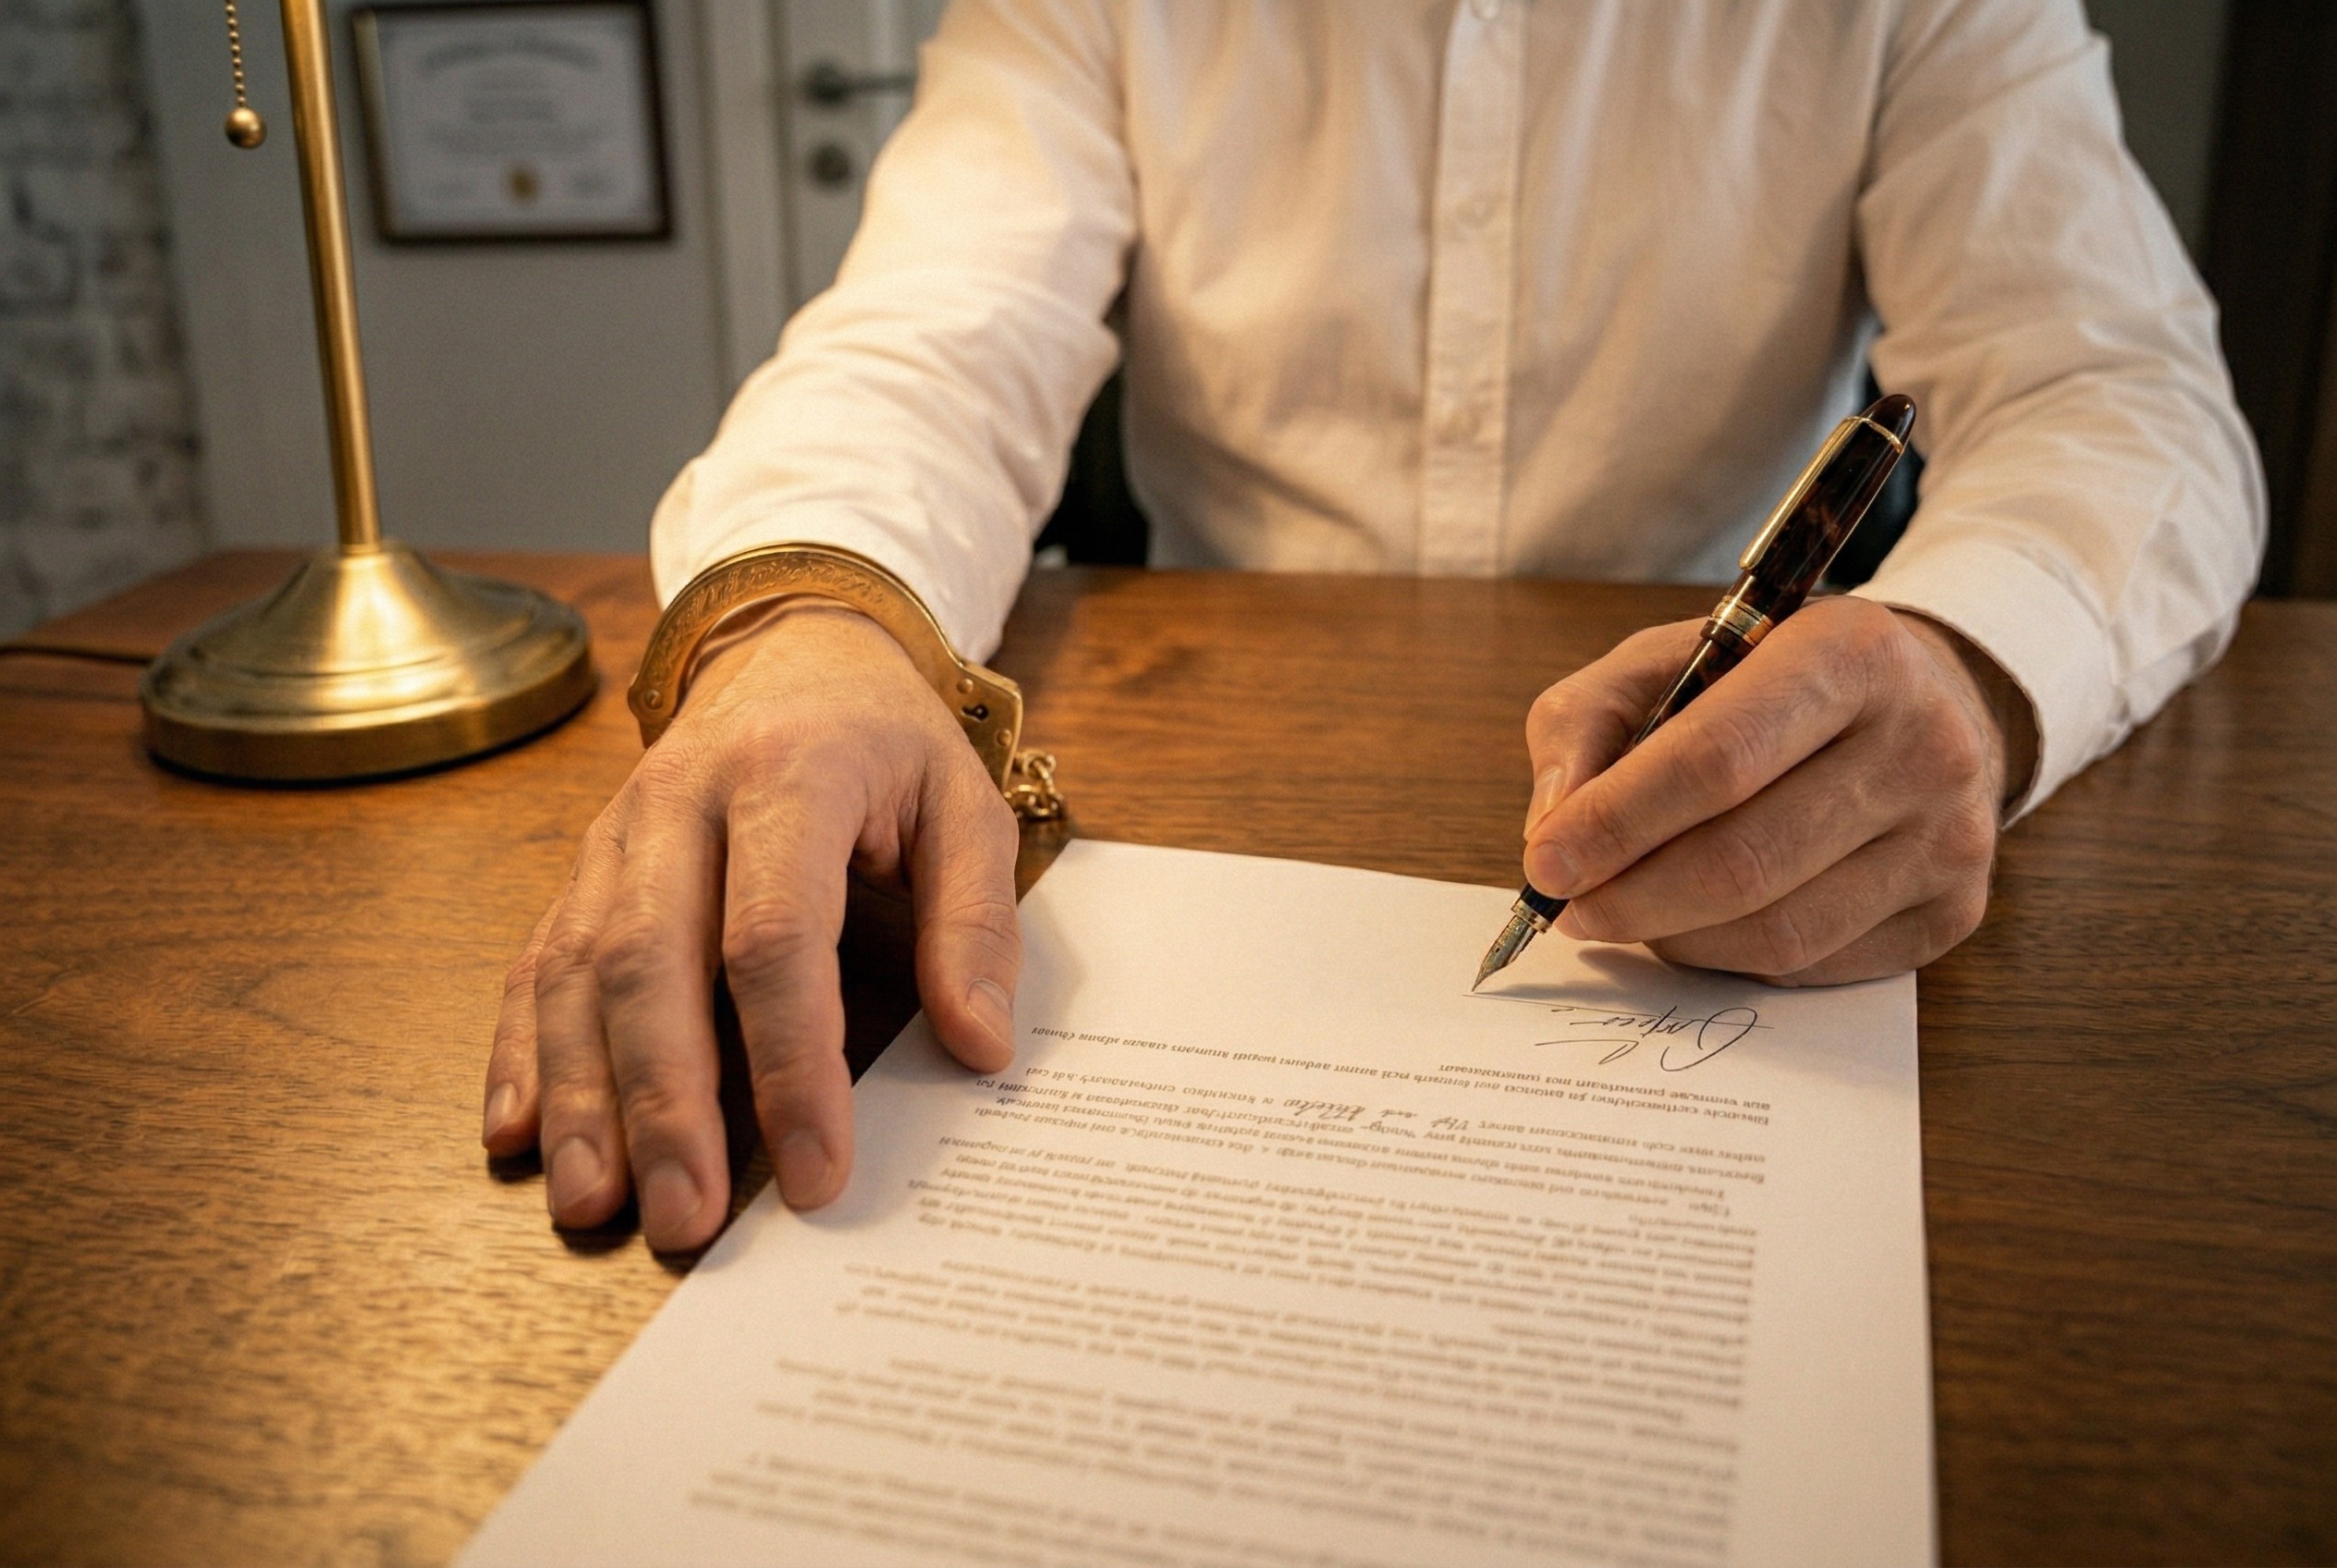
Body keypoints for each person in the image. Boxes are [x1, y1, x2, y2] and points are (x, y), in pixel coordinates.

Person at [479, 0, 2261, 1252]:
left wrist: (1968, 663)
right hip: (1219, 778)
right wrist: (806, 624)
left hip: (1720, 755)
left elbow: (2116, 387)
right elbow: (935, 334)